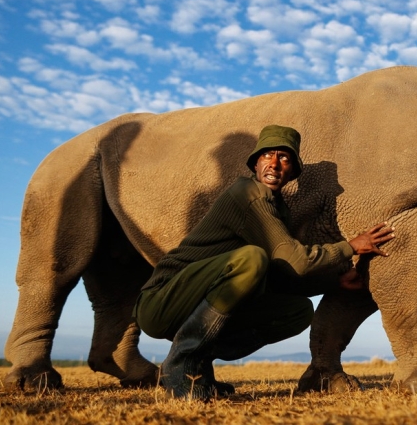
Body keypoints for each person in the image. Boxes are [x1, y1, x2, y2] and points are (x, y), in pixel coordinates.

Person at [133, 124, 394, 400]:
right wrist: (350, 246)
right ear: (255, 164)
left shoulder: (276, 209)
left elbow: (283, 273)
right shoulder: (247, 193)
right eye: (267, 155)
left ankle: (197, 368)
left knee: (297, 312)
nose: (274, 163)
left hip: (191, 306)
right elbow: (295, 258)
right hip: (160, 301)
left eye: (284, 158)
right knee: (252, 259)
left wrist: (334, 281)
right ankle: (180, 362)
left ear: (292, 171)